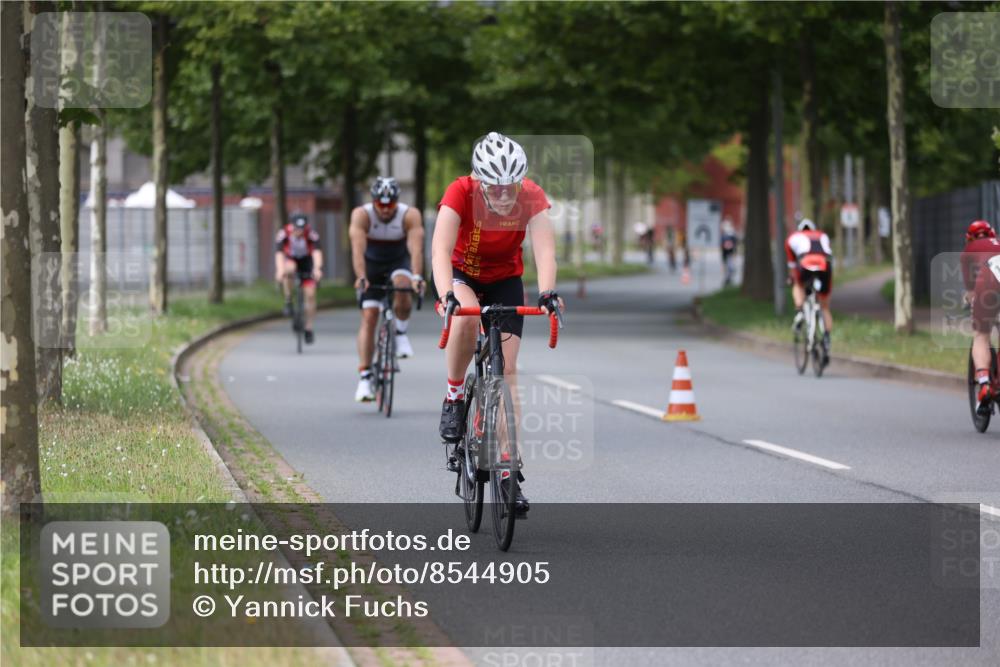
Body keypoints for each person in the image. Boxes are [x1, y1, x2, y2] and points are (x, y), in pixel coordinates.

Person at [432, 132, 562, 515]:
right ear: (479, 180)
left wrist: (548, 292)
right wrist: (446, 295)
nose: (505, 196)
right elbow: (439, 249)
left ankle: (508, 469)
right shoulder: (459, 191)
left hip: (505, 280)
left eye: (511, 187)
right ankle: (455, 395)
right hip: (462, 276)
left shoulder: (531, 196)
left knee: (507, 373)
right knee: (467, 322)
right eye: (495, 188)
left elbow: (545, 249)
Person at [350, 176, 425, 402]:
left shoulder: (409, 214)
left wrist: (417, 276)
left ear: (396, 202)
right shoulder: (361, 215)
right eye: (380, 205)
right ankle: (364, 377)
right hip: (371, 264)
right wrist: (361, 277)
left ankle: (401, 332)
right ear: (373, 202)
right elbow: (357, 249)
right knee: (370, 316)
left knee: (403, 287)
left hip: (397, 261)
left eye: (389, 205)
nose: (384, 210)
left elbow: (416, 249)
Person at [961, 220, 1000, 414]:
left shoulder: (969, 249)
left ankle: (984, 384)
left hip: (989, 282)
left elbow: (970, 289)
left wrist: (970, 300)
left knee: (981, 335)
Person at [785, 218, 833, 356]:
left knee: (798, 284)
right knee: (824, 307)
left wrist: (792, 279)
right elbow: (828, 253)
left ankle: (800, 310)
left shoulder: (792, 238)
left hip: (805, 262)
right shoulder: (823, 235)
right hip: (825, 265)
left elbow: (793, 266)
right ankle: (827, 337)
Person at [274, 212, 323, 344]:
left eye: (302, 229)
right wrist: (279, 270)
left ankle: (308, 327)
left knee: (311, 295)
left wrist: (317, 268)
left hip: (307, 262)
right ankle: (288, 299)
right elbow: (279, 253)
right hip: (291, 260)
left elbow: (317, 253)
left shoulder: (311, 234)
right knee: (288, 269)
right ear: (291, 226)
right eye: (296, 228)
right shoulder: (283, 233)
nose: (299, 232)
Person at [720, 216, 738, 286]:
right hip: (726, 252)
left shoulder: (731, 233)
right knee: (727, 265)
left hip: (730, 252)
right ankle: (727, 278)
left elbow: (734, 242)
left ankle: (728, 277)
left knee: (730, 265)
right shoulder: (726, 233)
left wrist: (734, 251)